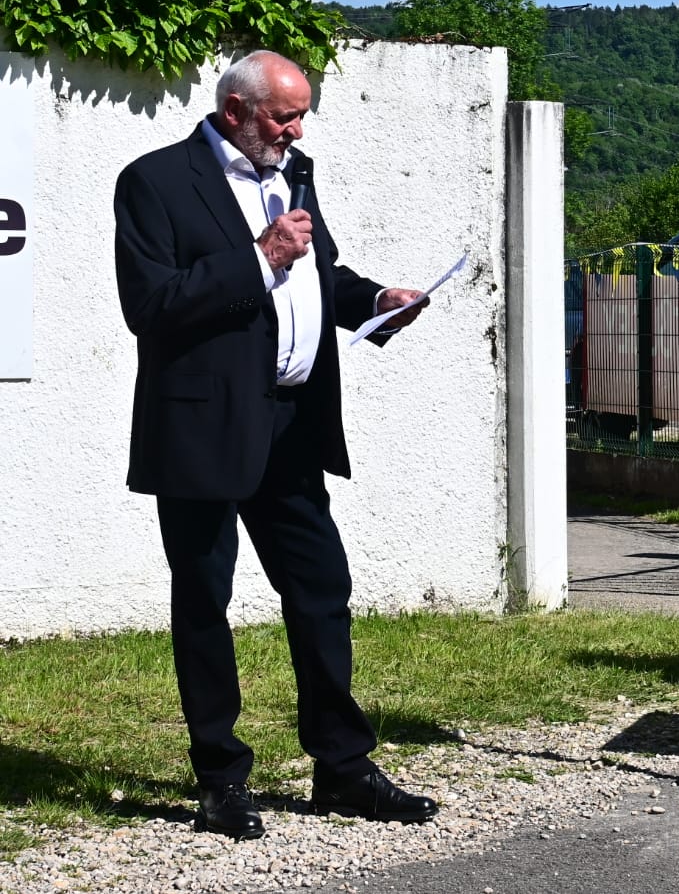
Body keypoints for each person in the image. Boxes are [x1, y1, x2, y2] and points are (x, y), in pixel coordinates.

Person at [113, 51, 439, 839]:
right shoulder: (155, 181)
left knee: (322, 586)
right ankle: (221, 777)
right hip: (201, 425)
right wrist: (259, 256)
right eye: (282, 116)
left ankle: (343, 766)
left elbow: (317, 270)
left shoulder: (294, 173)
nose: (295, 131)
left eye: (301, 116)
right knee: (204, 599)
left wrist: (375, 300)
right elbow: (150, 305)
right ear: (235, 110)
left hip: (292, 422)